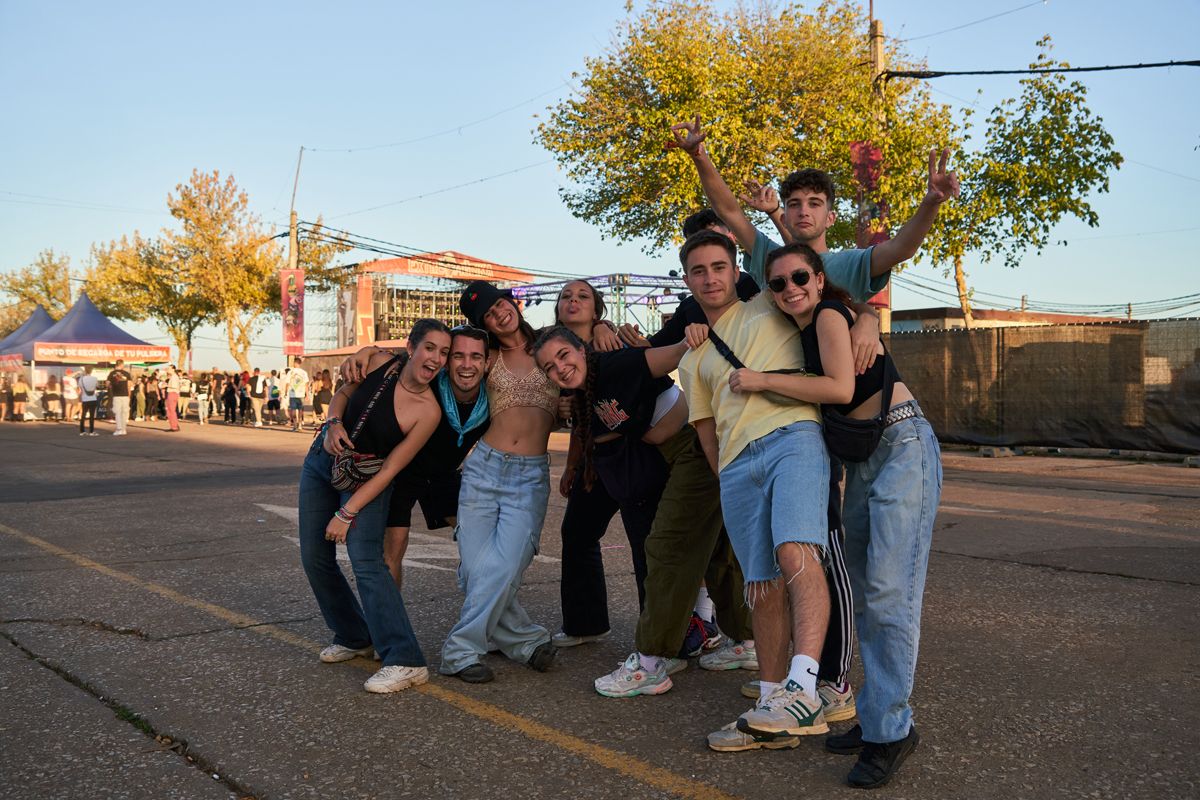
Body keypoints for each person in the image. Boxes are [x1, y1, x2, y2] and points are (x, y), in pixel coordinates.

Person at [718, 242, 941, 788]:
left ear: (819, 280)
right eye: (778, 282)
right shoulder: (809, 325)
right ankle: (877, 716)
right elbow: (746, 237)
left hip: (900, 444)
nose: (790, 287)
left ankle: (891, 732)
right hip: (862, 460)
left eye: (800, 277)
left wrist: (761, 378)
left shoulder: (828, 314)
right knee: (869, 597)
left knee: (889, 596)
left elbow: (841, 387)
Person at [533, 326, 758, 705]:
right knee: (716, 549)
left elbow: (674, 354)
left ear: (581, 350)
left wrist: (694, 335)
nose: (561, 368)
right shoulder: (585, 394)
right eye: (550, 367)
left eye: (564, 356)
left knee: (667, 547)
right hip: (675, 457)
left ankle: (654, 661)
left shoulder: (616, 365)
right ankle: (747, 641)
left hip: (695, 448)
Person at [300, 318, 449, 694]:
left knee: (366, 560)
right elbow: (343, 395)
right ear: (411, 348)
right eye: (430, 348)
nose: (436, 358)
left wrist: (347, 513)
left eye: (444, 353)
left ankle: (406, 658)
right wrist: (333, 424)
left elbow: (392, 469)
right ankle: (353, 635)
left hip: (369, 479)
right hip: (322, 460)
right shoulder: (381, 362)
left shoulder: (428, 411)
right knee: (314, 557)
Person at [438, 281, 563, 684]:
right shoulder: (487, 356)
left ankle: (461, 648)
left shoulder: (550, 344)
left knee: (506, 564)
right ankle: (523, 640)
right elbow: (433, 358)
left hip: (529, 477)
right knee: (476, 570)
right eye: (487, 314)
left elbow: (583, 352)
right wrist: (372, 353)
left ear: (513, 302)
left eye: (499, 304)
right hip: (483, 470)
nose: (498, 314)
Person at [338, 326, 493, 590]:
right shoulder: (430, 383)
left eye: (476, 357)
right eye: (457, 356)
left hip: (443, 476)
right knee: (391, 555)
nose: (467, 365)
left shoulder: (492, 400)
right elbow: (404, 359)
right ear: (447, 361)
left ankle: (484, 612)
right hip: (401, 474)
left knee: (480, 545)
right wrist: (369, 351)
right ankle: (390, 624)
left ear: (487, 362)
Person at [108, 360, 132, 436]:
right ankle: (124, 429)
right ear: (122, 364)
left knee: (117, 412)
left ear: (116, 364)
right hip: (125, 395)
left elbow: (107, 384)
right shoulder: (127, 373)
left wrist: (113, 386)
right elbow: (129, 385)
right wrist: (129, 395)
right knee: (124, 413)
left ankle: (119, 429)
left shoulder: (111, 374)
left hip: (116, 395)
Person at [287, 357, 310, 431]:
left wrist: (285, 392)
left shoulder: (290, 372)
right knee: (300, 410)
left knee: (293, 410)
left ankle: (295, 425)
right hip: (301, 394)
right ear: (300, 363)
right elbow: (306, 384)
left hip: (292, 394)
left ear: (295, 363)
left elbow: (287, 383)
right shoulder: (304, 373)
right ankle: (300, 425)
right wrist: (307, 394)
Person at [78, 366, 100, 436]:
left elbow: (80, 388)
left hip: (85, 398)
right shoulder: (95, 379)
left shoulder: (81, 379)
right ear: (91, 371)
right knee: (92, 416)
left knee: (83, 415)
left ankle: (82, 431)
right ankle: (91, 431)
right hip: (93, 398)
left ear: (85, 371)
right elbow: (97, 386)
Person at [165, 366, 181, 432]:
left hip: (172, 393)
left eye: (169, 368)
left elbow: (174, 386)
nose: (167, 369)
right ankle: (174, 425)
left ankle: (174, 427)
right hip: (173, 393)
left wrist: (166, 385)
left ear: (173, 369)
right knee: (171, 411)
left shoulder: (174, 377)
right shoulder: (174, 376)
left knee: (171, 411)